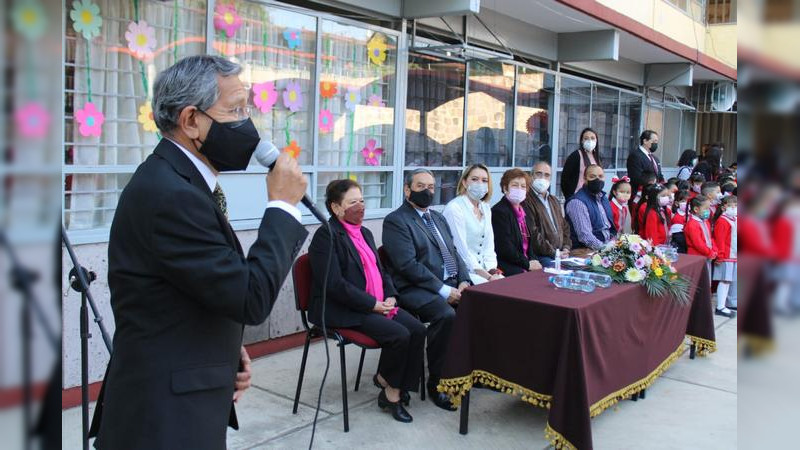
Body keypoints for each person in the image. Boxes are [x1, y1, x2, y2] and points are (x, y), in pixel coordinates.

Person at [89, 56, 310, 449]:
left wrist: (223, 348)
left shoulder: (181, 181)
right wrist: (282, 208)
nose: (249, 125)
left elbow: (196, 284)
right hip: (161, 422)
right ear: (191, 120)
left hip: (183, 397)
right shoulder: (170, 194)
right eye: (236, 110)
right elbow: (250, 297)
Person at [308, 179, 425, 423]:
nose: (360, 206)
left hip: (378, 303)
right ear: (336, 207)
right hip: (343, 308)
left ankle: (386, 378)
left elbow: (381, 271)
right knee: (399, 335)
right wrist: (372, 304)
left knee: (416, 329)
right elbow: (335, 285)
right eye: (353, 202)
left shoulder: (366, 232)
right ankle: (391, 393)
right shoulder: (325, 237)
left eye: (362, 200)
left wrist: (391, 295)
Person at [382, 169, 471, 411]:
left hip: (450, 283)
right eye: (421, 186)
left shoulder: (438, 218)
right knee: (446, 316)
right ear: (407, 189)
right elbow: (407, 265)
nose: (427, 191)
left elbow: (454, 253)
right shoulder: (396, 221)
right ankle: (437, 383)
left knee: (482, 307)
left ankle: (469, 373)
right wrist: (444, 290)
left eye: (431, 187)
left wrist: (463, 280)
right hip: (413, 288)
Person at [443, 164, 503, 285]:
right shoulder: (454, 208)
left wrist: (493, 271)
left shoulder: (485, 208)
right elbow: (462, 251)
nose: (480, 183)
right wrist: (488, 278)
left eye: (484, 180)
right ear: (465, 182)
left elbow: (489, 246)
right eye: (474, 179)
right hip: (463, 272)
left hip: (485, 271)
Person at [492, 169, 544, 275]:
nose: (519, 189)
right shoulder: (499, 211)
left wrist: (533, 260)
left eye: (523, 186)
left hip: (524, 262)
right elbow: (505, 248)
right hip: (508, 264)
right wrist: (528, 264)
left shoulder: (524, 209)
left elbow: (529, 242)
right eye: (515, 185)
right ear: (505, 188)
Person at [523, 161, 572, 267]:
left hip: (560, 253)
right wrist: (555, 253)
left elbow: (565, 227)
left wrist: (566, 248)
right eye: (538, 174)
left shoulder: (554, 200)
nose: (542, 178)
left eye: (547, 175)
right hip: (541, 256)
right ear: (531, 176)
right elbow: (533, 234)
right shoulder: (526, 200)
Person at [565, 164, 616, 250]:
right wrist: (606, 249)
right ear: (585, 179)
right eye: (592, 176)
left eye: (600, 176)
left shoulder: (604, 198)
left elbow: (611, 228)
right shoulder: (577, 202)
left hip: (607, 247)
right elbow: (585, 237)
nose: (597, 179)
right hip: (585, 250)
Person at [684, 196, 719, 288]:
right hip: (697, 256)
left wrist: (714, 250)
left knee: (706, 281)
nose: (708, 211)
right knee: (699, 282)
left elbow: (710, 238)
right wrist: (710, 252)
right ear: (696, 209)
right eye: (706, 208)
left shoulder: (705, 222)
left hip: (706, 256)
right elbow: (698, 243)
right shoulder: (692, 224)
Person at [712, 195, 738, 317]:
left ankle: (726, 304)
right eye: (730, 206)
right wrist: (720, 256)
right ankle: (720, 306)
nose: (734, 208)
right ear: (723, 207)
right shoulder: (722, 221)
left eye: (736, 205)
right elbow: (720, 240)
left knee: (730, 281)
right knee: (725, 280)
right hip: (726, 256)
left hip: (733, 255)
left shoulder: (734, 219)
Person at [561, 127, 601, 199]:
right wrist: (569, 197)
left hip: (592, 197)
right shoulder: (576, 156)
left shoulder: (597, 157)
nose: (590, 141)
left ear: (596, 140)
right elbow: (565, 178)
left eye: (592, 138)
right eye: (586, 138)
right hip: (577, 197)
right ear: (581, 141)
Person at [627, 130, 664, 204]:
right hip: (640, 197)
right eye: (654, 141)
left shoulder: (655, 158)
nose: (656, 144)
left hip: (654, 196)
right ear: (645, 141)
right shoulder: (635, 156)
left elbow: (659, 175)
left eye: (657, 142)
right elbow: (636, 177)